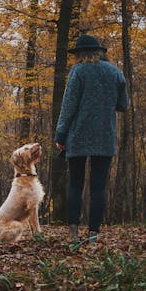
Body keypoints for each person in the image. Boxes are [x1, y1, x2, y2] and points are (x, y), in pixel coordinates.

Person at [54, 34, 128, 244]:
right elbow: (124, 105)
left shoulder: (79, 71)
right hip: (105, 136)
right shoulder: (115, 72)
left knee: (76, 185)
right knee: (98, 187)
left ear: (80, 54)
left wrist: (61, 134)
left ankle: (74, 234)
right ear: (99, 52)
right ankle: (93, 235)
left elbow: (69, 106)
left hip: (78, 135)